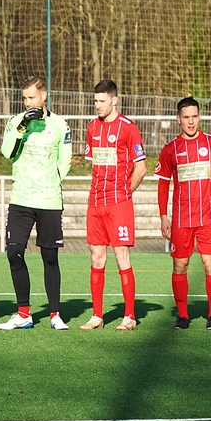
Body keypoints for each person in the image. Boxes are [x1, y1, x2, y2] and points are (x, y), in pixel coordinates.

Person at [0, 76, 72, 330]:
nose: (28, 102)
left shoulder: (60, 124)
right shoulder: (16, 121)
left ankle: (55, 314)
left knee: (50, 256)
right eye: (25, 98)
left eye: (32, 97)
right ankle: (23, 314)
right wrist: (23, 127)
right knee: (14, 253)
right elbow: (7, 152)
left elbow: (65, 161)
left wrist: (51, 182)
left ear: (43, 95)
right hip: (21, 199)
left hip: (49, 200)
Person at [156, 98, 211, 330]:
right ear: (178, 119)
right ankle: (182, 316)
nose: (191, 121)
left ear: (199, 117)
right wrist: (163, 216)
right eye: (186, 117)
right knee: (180, 266)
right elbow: (163, 183)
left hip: (208, 217)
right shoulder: (170, 149)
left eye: (194, 116)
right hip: (181, 219)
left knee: (210, 265)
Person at [81, 80, 147, 331]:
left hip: (118, 204)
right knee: (97, 257)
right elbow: (95, 164)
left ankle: (129, 316)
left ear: (114, 100)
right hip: (95, 203)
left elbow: (141, 168)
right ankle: (97, 316)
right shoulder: (91, 127)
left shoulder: (129, 128)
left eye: (102, 101)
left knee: (121, 256)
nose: (97, 105)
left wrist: (124, 193)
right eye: (95, 101)